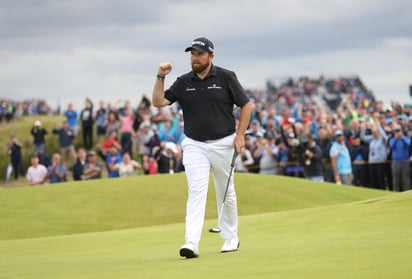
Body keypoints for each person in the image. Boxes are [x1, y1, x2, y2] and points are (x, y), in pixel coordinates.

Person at [152, 37, 253, 259]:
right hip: (194, 144)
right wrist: (160, 76)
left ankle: (230, 237)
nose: (195, 58)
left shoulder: (226, 77)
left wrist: (240, 135)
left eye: (199, 54)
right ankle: (191, 242)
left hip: (224, 142)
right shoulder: (183, 81)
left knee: (226, 191)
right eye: (193, 54)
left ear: (211, 56)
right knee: (196, 191)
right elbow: (159, 102)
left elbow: (247, 105)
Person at [388, 124, 411, 191]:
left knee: (406, 181)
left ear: (401, 131)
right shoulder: (392, 139)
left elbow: (408, 144)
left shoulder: (406, 138)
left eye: (398, 131)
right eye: (396, 131)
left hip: (405, 162)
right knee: (396, 181)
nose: (397, 132)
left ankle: (407, 196)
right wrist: (396, 138)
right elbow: (391, 146)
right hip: (395, 162)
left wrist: (402, 137)